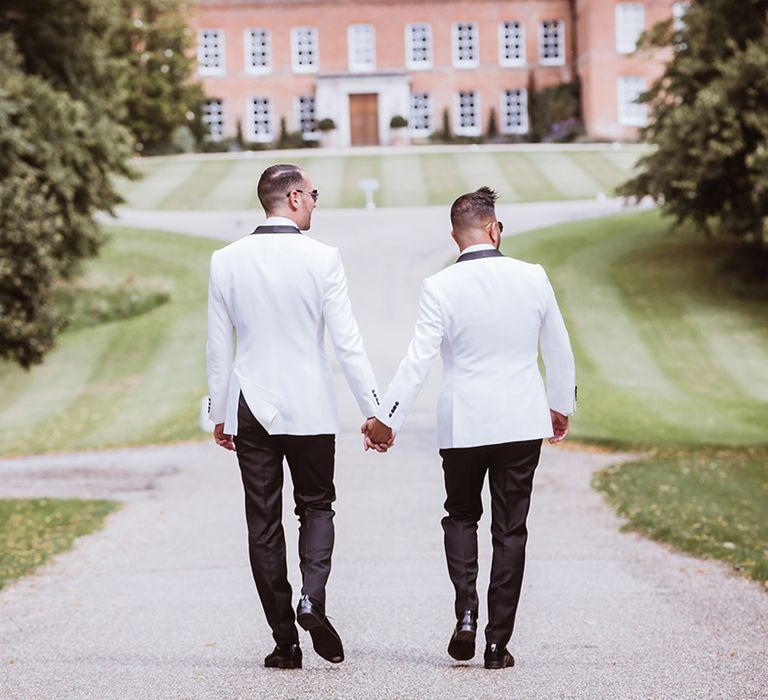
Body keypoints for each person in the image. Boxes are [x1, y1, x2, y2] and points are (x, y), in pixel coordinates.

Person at [363, 186, 576, 669]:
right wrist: (559, 406)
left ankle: (465, 612)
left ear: (455, 236)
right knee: (511, 529)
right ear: (494, 228)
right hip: (521, 420)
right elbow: (558, 349)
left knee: (461, 516)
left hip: (463, 423)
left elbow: (418, 361)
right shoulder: (533, 277)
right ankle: (497, 643)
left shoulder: (439, 286)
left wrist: (385, 419)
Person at [207, 164, 382, 670]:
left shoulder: (226, 260)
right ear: (296, 197)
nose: (315, 202)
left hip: (251, 406)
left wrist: (218, 413)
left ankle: (285, 642)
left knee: (263, 524)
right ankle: (312, 598)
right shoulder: (323, 258)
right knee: (317, 506)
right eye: (314, 194)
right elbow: (348, 342)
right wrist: (374, 411)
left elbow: (219, 347)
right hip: (309, 405)